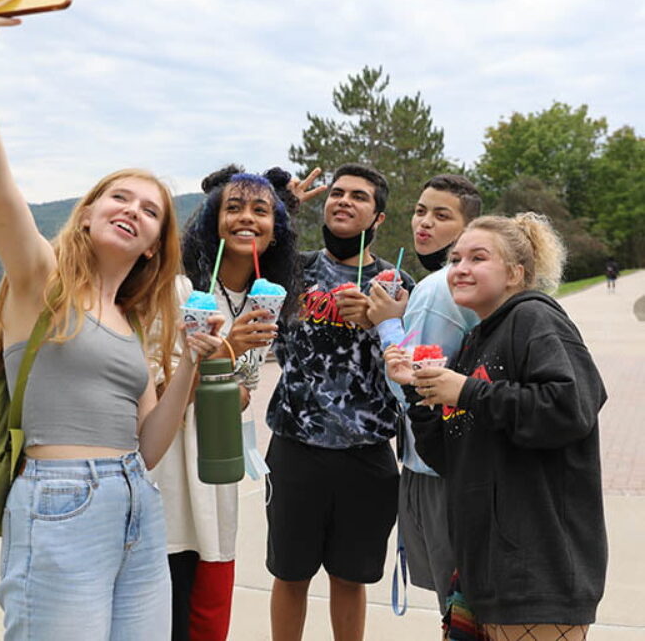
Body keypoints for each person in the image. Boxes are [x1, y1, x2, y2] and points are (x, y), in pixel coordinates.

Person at [0, 0, 223, 640]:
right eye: (119, 197)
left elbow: (150, 445)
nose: (132, 209)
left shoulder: (133, 324)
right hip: (59, 503)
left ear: (159, 245)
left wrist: (187, 364)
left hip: (138, 500)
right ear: (87, 214)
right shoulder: (39, 281)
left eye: (151, 209)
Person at [385, 213, 608, 640]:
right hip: (481, 569)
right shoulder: (475, 342)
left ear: (515, 273)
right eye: (455, 259)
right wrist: (418, 390)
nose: (461, 268)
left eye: (478, 258)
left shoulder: (537, 321)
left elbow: (572, 407)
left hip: (537, 571)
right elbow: (447, 457)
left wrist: (467, 392)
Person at [149, 164, 301, 641]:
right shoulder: (176, 291)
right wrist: (227, 348)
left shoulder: (263, 302)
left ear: (276, 231)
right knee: (166, 610)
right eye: (232, 207)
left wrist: (236, 378)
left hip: (215, 475)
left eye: (261, 210)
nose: (246, 218)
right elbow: (155, 393)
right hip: (168, 478)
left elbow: (240, 392)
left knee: (209, 610)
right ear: (212, 220)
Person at [265, 163, 414, 641]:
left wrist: (378, 323)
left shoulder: (396, 285)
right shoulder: (294, 270)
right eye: (338, 193)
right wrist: (283, 205)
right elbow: (237, 251)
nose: (344, 201)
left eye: (359, 196)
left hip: (365, 455)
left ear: (378, 218)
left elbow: (412, 368)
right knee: (289, 574)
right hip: (295, 447)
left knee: (350, 579)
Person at [367, 174, 482, 614]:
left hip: (436, 472)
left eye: (441, 215)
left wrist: (387, 325)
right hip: (466, 464)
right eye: (420, 211)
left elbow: (410, 387)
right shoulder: (454, 284)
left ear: (469, 227)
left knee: (458, 613)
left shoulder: (437, 290)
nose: (424, 224)